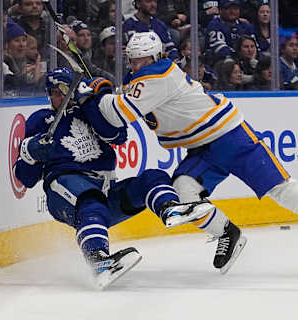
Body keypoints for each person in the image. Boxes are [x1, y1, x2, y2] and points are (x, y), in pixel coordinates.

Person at [85, 31, 298, 274]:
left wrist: (98, 94)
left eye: (143, 59)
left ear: (156, 57)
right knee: (183, 192)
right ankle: (227, 233)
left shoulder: (159, 73)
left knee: (283, 190)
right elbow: (123, 101)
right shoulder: (144, 80)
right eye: (133, 60)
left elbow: (118, 112)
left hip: (230, 137)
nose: (137, 64)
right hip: (202, 148)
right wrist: (106, 92)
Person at [13, 67, 213, 288]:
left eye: (63, 90)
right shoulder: (40, 120)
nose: (58, 97)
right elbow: (25, 177)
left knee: (153, 177)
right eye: (53, 92)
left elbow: (118, 136)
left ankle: (169, 207)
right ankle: (98, 261)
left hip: (105, 188)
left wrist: (93, 102)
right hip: (64, 185)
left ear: (75, 90)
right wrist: (29, 152)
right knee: (91, 201)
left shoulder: (90, 112)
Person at [204, 0, 254, 67]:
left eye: (235, 8)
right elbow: (220, 49)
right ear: (220, 10)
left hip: (244, 61)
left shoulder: (245, 26)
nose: (232, 11)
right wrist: (239, 56)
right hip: (221, 63)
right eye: (228, 8)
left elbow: (256, 47)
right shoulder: (214, 24)